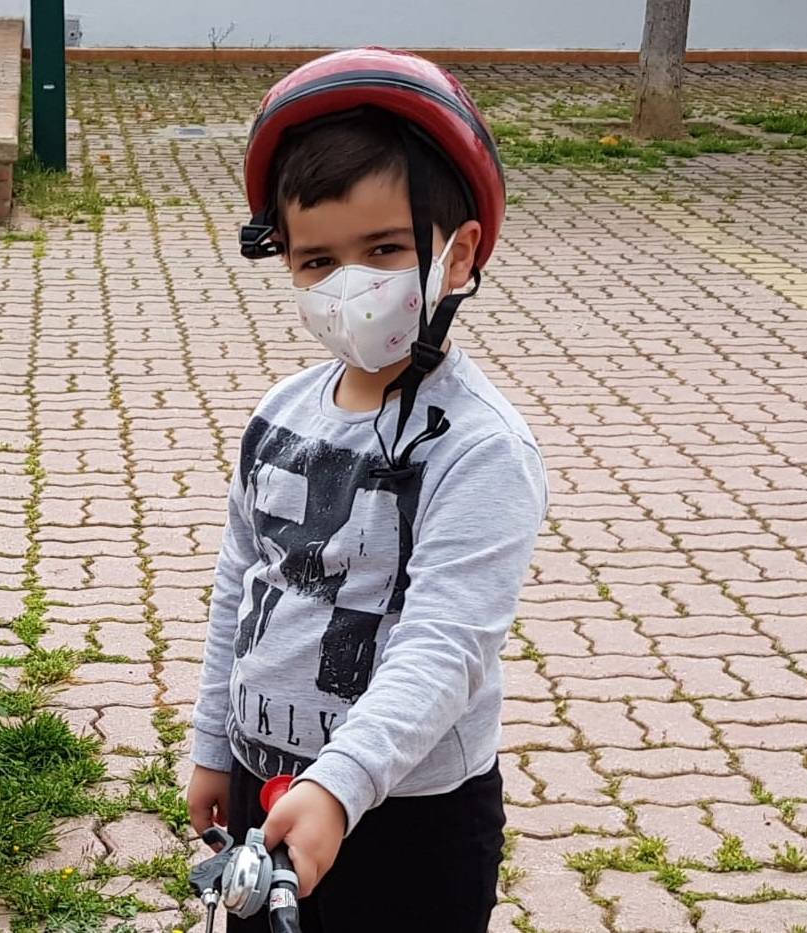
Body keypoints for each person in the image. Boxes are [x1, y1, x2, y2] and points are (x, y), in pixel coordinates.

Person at [186, 48, 548, 933]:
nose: (349, 284)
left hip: (408, 812)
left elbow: (446, 643)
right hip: (267, 785)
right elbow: (241, 583)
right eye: (317, 260)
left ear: (458, 254)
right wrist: (212, 743)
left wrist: (340, 786)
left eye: (383, 249)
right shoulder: (282, 410)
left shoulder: (481, 447)